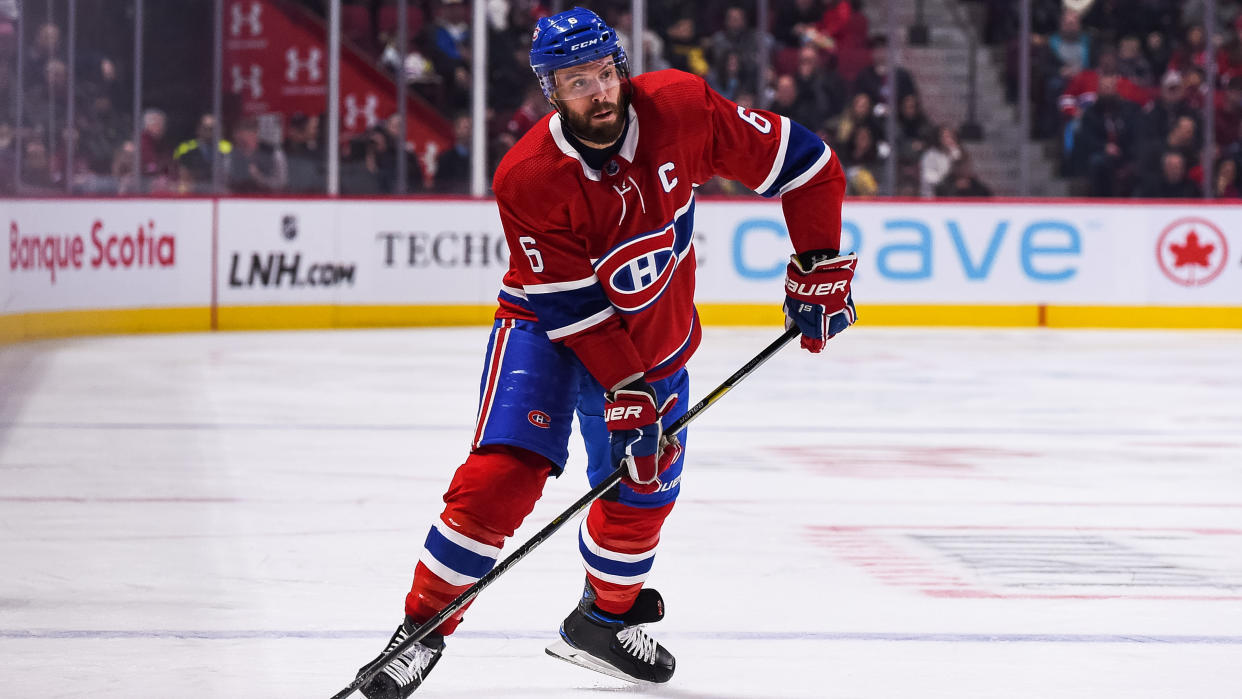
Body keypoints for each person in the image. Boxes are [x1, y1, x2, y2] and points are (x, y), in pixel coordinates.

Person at [350, 8, 855, 697]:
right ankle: (420, 630)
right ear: (550, 92)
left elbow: (807, 164)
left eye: (602, 73)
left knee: (643, 486)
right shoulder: (527, 176)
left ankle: (603, 621)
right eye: (574, 81)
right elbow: (573, 308)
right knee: (500, 478)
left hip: (657, 336)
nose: (597, 92)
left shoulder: (681, 107)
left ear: (621, 68)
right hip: (548, 330)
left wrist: (818, 260)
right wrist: (627, 391)